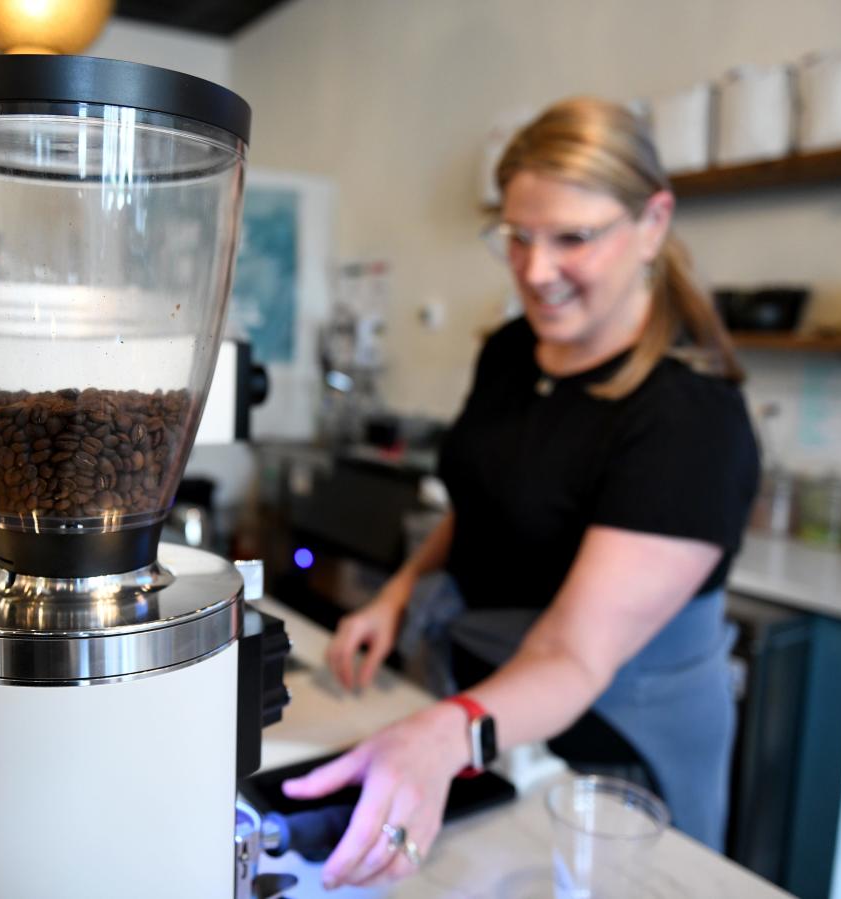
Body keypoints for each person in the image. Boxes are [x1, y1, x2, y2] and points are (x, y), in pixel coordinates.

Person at [281, 96, 759, 889]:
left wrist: (444, 735)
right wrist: (397, 596)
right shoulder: (512, 351)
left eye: (573, 237)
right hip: (488, 708)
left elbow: (573, 651)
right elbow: (481, 500)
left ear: (652, 223)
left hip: (612, 741)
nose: (536, 271)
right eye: (517, 236)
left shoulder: (690, 418)